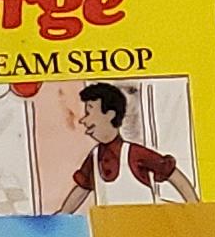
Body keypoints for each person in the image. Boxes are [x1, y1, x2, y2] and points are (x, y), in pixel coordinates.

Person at [59, 82, 194, 209]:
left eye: (89, 113)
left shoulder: (134, 153)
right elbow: (82, 188)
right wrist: (62, 215)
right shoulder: (94, 157)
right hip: (109, 229)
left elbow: (172, 173)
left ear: (110, 115)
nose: (83, 120)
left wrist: (196, 208)